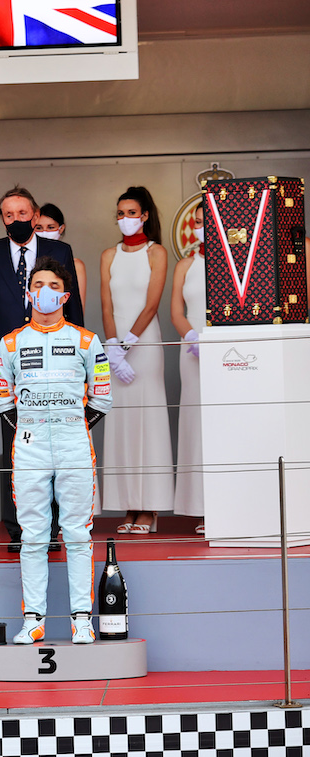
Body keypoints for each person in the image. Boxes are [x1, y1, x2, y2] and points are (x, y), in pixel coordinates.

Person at [0, 258, 112, 645]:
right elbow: (2, 399)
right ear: (28, 293)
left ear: (65, 293)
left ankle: (82, 619)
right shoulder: (10, 343)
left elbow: (102, 396)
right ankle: (33, 621)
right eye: (37, 284)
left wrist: (71, 428)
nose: (44, 291)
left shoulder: (86, 340)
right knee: (33, 536)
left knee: (78, 533)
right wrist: (33, 430)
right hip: (29, 446)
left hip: (74, 442)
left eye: (52, 284)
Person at [0, 186, 83, 550]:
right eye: (8, 215)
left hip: (55, 365)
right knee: (17, 447)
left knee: (55, 445)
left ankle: (51, 529)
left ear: (35, 216)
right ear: (2, 218)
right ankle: (20, 529)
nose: (15, 220)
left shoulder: (59, 251)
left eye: (22, 214)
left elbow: (75, 311)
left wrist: (79, 363)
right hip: (8, 365)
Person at [99, 186, 174, 533]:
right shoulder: (108, 255)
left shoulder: (156, 252)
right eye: (120, 213)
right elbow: (106, 305)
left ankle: (150, 508)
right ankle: (128, 505)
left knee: (148, 421)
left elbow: (152, 304)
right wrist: (112, 348)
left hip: (144, 345)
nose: (124, 219)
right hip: (116, 351)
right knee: (122, 424)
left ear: (144, 215)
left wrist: (127, 345)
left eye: (131, 213)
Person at [170, 202, 206, 533]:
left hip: (229, 353)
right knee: (196, 423)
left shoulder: (236, 264)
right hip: (192, 350)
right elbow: (176, 311)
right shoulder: (185, 264)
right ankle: (202, 508)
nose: (198, 227)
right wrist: (191, 337)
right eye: (194, 222)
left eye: (204, 221)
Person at [36, 203, 88, 309]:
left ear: (61, 228)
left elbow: (78, 308)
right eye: (39, 228)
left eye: (50, 227)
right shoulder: (27, 261)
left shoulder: (76, 265)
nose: (45, 232)